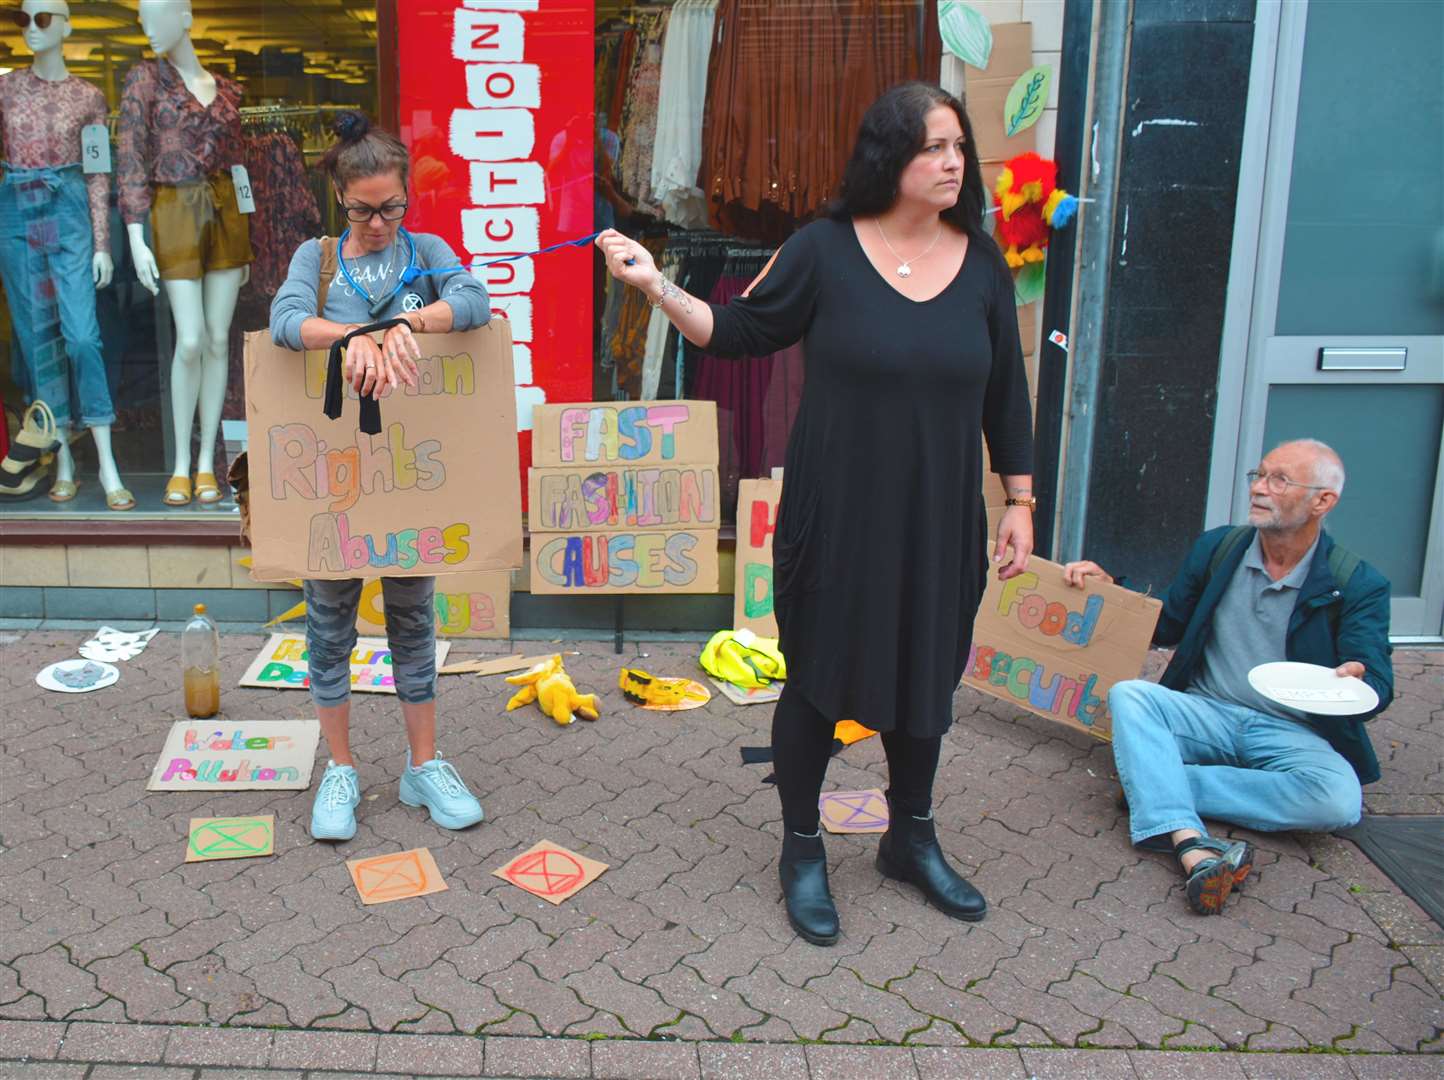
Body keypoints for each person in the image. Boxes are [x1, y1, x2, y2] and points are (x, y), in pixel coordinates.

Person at [597, 82, 1036, 945]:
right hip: (837, 514)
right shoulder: (823, 251)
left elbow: (1007, 393)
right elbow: (739, 332)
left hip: (940, 518)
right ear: (889, 159)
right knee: (818, 684)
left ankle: (910, 838)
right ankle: (802, 848)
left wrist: (1020, 500)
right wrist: (655, 287)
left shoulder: (980, 260)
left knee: (926, 678)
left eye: (958, 146)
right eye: (932, 148)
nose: (952, 163)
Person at [269, 111, 491, 842]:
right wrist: (358, 337)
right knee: (329, 627)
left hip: (411, 482)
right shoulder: (318, 258)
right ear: (340, 199)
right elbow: (284, 320)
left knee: (413, 623)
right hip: (333, 484)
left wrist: (410, 324)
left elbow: (475, 302)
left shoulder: (424, 253)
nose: (377, 222)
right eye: (363, 209)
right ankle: (340, 770)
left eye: (391, 207)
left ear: (407, 200)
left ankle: (422, 765)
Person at [1063, 439, 1393, 915]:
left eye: (1279, 480)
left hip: (1291, 729)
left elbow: (1376, 677)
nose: (1260, 489)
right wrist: (1111, 587)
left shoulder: (1357, 582)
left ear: (1323, 501)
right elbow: (1168, 623)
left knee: (1339, 801)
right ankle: (1189, 841)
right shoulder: (1219, 548)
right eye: (1258, 476)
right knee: (1131, 696)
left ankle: (1157, 783)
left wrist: (1361, 677)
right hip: (1205, 711)